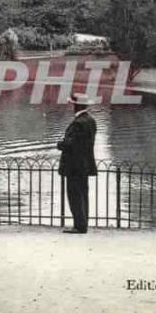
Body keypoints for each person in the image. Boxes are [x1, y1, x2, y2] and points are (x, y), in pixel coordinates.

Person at [57, 93, 97, 234]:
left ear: (76, 106)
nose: (72, 107)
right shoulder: (90, 120)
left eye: (73, 104)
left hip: (74, 166)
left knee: (74, 195)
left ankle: (79, 226)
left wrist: (60, 144)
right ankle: (82, 223)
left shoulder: (78, 123)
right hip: (84, 165)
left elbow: (71, 144)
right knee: (83, 194)